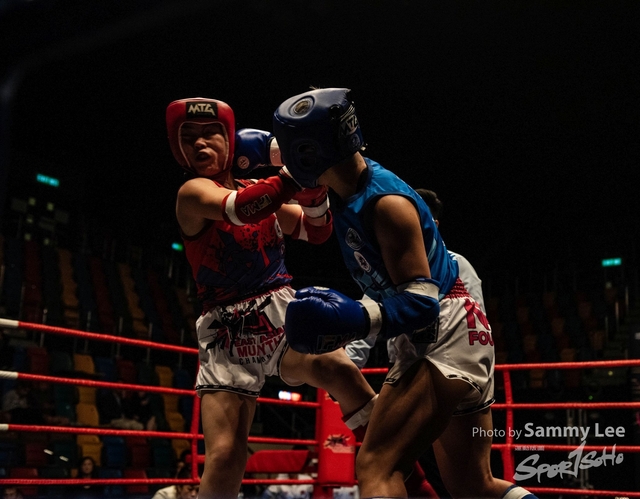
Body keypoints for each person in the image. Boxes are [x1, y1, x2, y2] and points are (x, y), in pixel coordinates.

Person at [273, 88, 537, 499]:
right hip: (455, 335)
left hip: (440, 336)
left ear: (309, 153)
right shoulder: (343, 188)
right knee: (473, 486)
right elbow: (281, 168)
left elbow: (421, 304)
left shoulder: (386, 205)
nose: (285, 163)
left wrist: (353, 320)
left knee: (377, 466)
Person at [165, 98, 376, 499]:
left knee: (341, 373)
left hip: (278, 313)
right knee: (226, 456)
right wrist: (298, 165)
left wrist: (314, 194)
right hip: (226, 331)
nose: (200, 144)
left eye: (210, 134)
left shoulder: (257, 189)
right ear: (178, 148)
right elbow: (242, 210)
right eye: (188, 137)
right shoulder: (191, 194)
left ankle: (408, 478)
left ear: (231, 140)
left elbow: (316, 231)